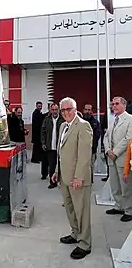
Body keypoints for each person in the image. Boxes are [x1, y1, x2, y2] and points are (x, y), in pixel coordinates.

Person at [52, 97, 93, 260]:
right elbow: (60, 153)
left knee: (81, 211)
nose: (66, 112)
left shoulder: (83, 126)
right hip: (64, 177)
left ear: (75, 109)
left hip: (78, 178)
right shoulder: (63, 126)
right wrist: (57, 171)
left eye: (69, 109)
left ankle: (85, 244)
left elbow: (84, 155)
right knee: (70, 209)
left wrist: (79, 177)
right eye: (63, 110)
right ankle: (75, 234)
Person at [104, 96, 132, 222]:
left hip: (122, 158)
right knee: (115, 185)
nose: (113, 106)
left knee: (125, 186)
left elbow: (128, 139)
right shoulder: (113, 119)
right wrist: (108, 150)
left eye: (116, 104)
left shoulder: (130, 119)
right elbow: (106, 136)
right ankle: (119, 206)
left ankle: (129, 210)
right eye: (112, 104)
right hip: (111, 158)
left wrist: (115, 152)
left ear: (124, 106)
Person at [41, 103, 64, 186]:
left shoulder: (63, 120)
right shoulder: (46, 120)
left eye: (56, 110)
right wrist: (43, 143)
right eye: (53, 110)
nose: (54, 111)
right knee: (51, 165)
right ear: (50, 110)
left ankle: (62, 182)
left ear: (59, 110)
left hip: (61, 147)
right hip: (50, 146)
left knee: (62, 165)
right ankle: (52, 182)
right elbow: (43, 132)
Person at [83, 104, 101, 183]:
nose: (87, 112)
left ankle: (89, 182)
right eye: (86, 109)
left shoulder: (96, 123)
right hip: (80, 149)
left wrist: (91, 146)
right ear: (83, 110)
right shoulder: (79, 121)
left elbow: (97, 136)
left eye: (89, 110)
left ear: (92, 111)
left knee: (90, 167)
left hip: (91, 150)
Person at [101, 101, 115, 181]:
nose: (112, 106)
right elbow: (103, 124)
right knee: (108, 159)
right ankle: (108, 175)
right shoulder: (108, 113)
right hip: (108, 138)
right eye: (111, 105)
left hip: (116, 140)